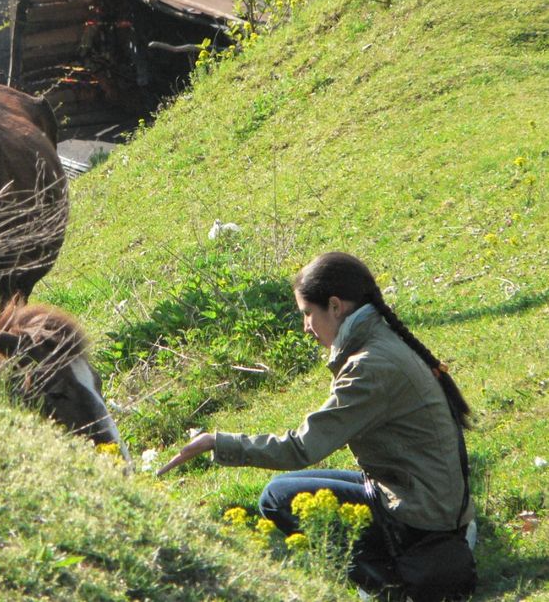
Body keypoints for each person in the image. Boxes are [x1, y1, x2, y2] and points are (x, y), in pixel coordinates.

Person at [157, 252, 476, 594]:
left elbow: (302, 448)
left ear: (335, 306)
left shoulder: (370, 366)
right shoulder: (381, 339)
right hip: (431, 497)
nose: (305, 326)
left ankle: (389, 584)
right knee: (302, 484)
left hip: (423, 514)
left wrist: (217, 442)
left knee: (277, 497)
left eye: (308, 313)